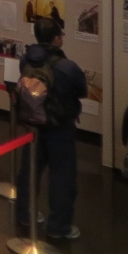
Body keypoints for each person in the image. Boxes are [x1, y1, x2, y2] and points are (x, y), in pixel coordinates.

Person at [15, 15, 87, 240]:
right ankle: (58, 227)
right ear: (57, 39)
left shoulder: (26, 60)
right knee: (62, 178)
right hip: (60, 128)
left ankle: (24, 214)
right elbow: (82, 90)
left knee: (29, 171)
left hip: (33, 127)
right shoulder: (67, 67)